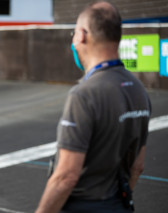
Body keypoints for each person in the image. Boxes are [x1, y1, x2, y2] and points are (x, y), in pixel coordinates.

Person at [36, 1, 151, 213]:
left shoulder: (84, 95)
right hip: (119, 204)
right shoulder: (139, 90)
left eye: (74, 33)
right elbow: (138, 166)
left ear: (81, 35)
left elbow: (65, 177)